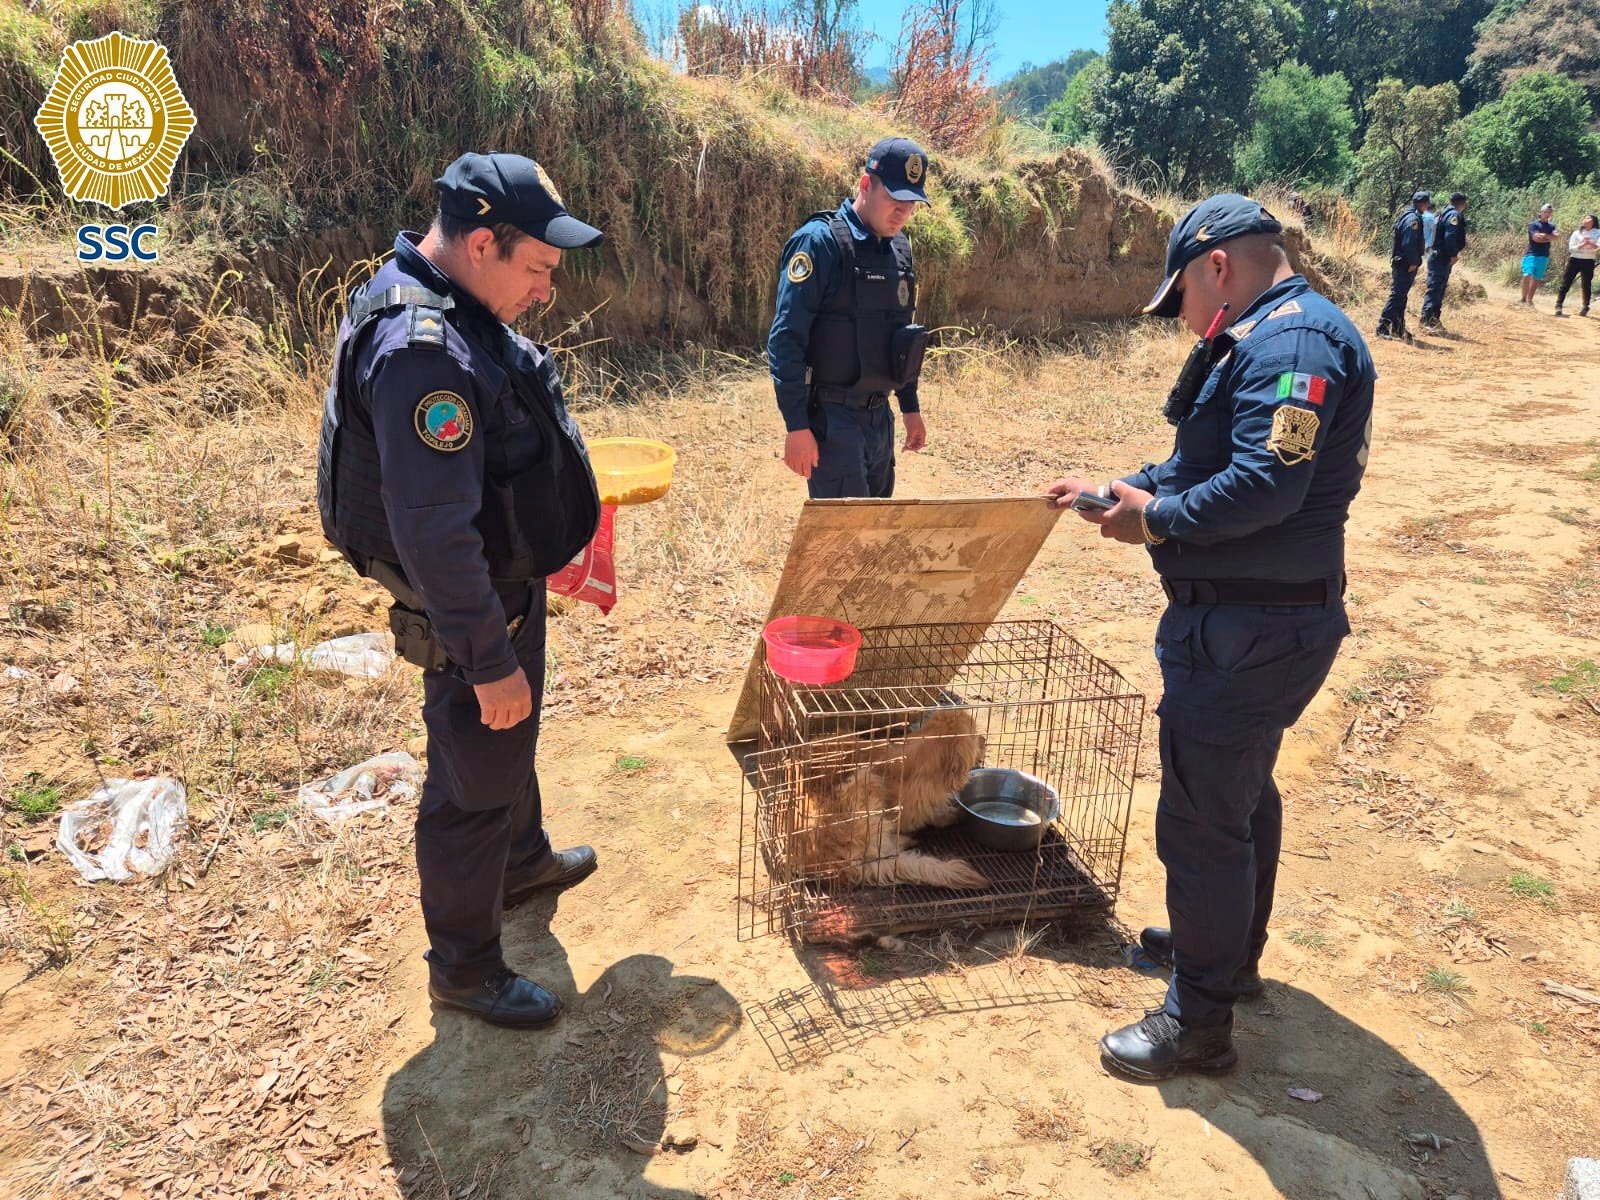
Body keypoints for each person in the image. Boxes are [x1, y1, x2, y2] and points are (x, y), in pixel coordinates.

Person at [1045, 194, 1374, 1080]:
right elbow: (1203, 465)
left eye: (1183, 296)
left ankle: (1198, 1022)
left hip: (1252, 628)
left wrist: (1155, 521)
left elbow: (1267, 484)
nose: (1185, 318)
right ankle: (1228, 959)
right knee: (1237, 797)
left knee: (1200, 821)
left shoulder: (1293, 344)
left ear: (1217, 266)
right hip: (1250, 623)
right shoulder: (1270, 334)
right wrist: (1120, 488)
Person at [317, 152, 604, 1029]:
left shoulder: (453, 301)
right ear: (483, 244)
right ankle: (467, 969)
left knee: (509, 745)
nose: (547, 291)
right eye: (538, 268)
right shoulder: (422, 353)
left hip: (501, 586)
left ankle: (520, 863)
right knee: (472, 781)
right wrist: (486, 660)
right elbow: (435, 534)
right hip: (471, 606)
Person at [768, 137, 932, 498]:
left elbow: (902, 338)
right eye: (894, 199)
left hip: (879, 420)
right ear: (865, 185)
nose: (902, 212)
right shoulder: (820, 243)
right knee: (844, 532)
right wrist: (796, 426)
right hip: (833, 420)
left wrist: (909, 407)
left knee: (876, 528)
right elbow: (786, 338)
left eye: (911, 203)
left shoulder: (899, 250)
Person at [1376, 191, 1427, 339]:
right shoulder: (1413, 219)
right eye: (1426, 204)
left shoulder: (1408, 216)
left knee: (1401, 296)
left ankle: (1398, 328)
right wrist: (1414, 261)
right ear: (1422, 204)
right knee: (1397, 296)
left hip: (1402, 262)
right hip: (1405, 264)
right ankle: (1382, 326)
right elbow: (1408, 243)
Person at [1419, 192, 1468, 333]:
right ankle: (1427, 320)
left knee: (1438, 288)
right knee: (1435, 289)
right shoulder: (1453, 215)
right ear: (1462, 203)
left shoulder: (1444, 212)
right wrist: (1453, 254)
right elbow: (1450, 236)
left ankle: (1433, 319)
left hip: (1438, 256)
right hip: (1441, 257)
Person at [1554, 214, 1599, 317]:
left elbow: (1598, 246)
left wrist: (1590, 243)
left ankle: (1585, 306)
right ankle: (1559, 304)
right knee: (1566, 282)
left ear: (1593, 221)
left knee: (1586, 284)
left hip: (1588, 260)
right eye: (1585, 218)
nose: (1585, 220)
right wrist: (1583, 244)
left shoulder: (1598, 233)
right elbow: (1571, 248)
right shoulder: (1577, 233)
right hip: (1575, 259)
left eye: (1588, 218)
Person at [1521, 203, 1559, 305]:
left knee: (1536, 278)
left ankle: (1529, 300)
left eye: (1550, 212)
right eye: (1546, 212)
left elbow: (1556, 237)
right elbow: (1536, 239)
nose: (1548, 214)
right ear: (1541, 213)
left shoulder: (1552, 226)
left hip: (1544, 255)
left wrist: (1544, 235)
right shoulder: (1533, 225)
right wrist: (1549, 237)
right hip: (1531, 254)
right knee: (1527, 274)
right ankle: (1523, 299)